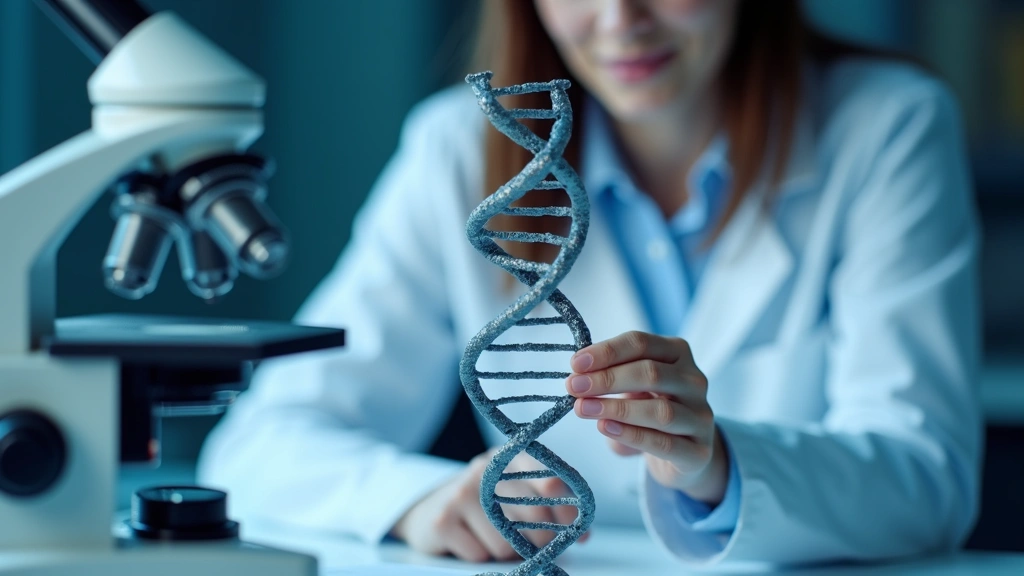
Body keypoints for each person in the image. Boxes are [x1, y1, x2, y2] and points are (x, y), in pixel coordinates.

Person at [197, 0, 982, 568]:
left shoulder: (887, 128)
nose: (619, 19)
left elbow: (927, 477)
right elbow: (261, 442)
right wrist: (416, 503)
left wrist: (718, 466)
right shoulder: (457, 152)